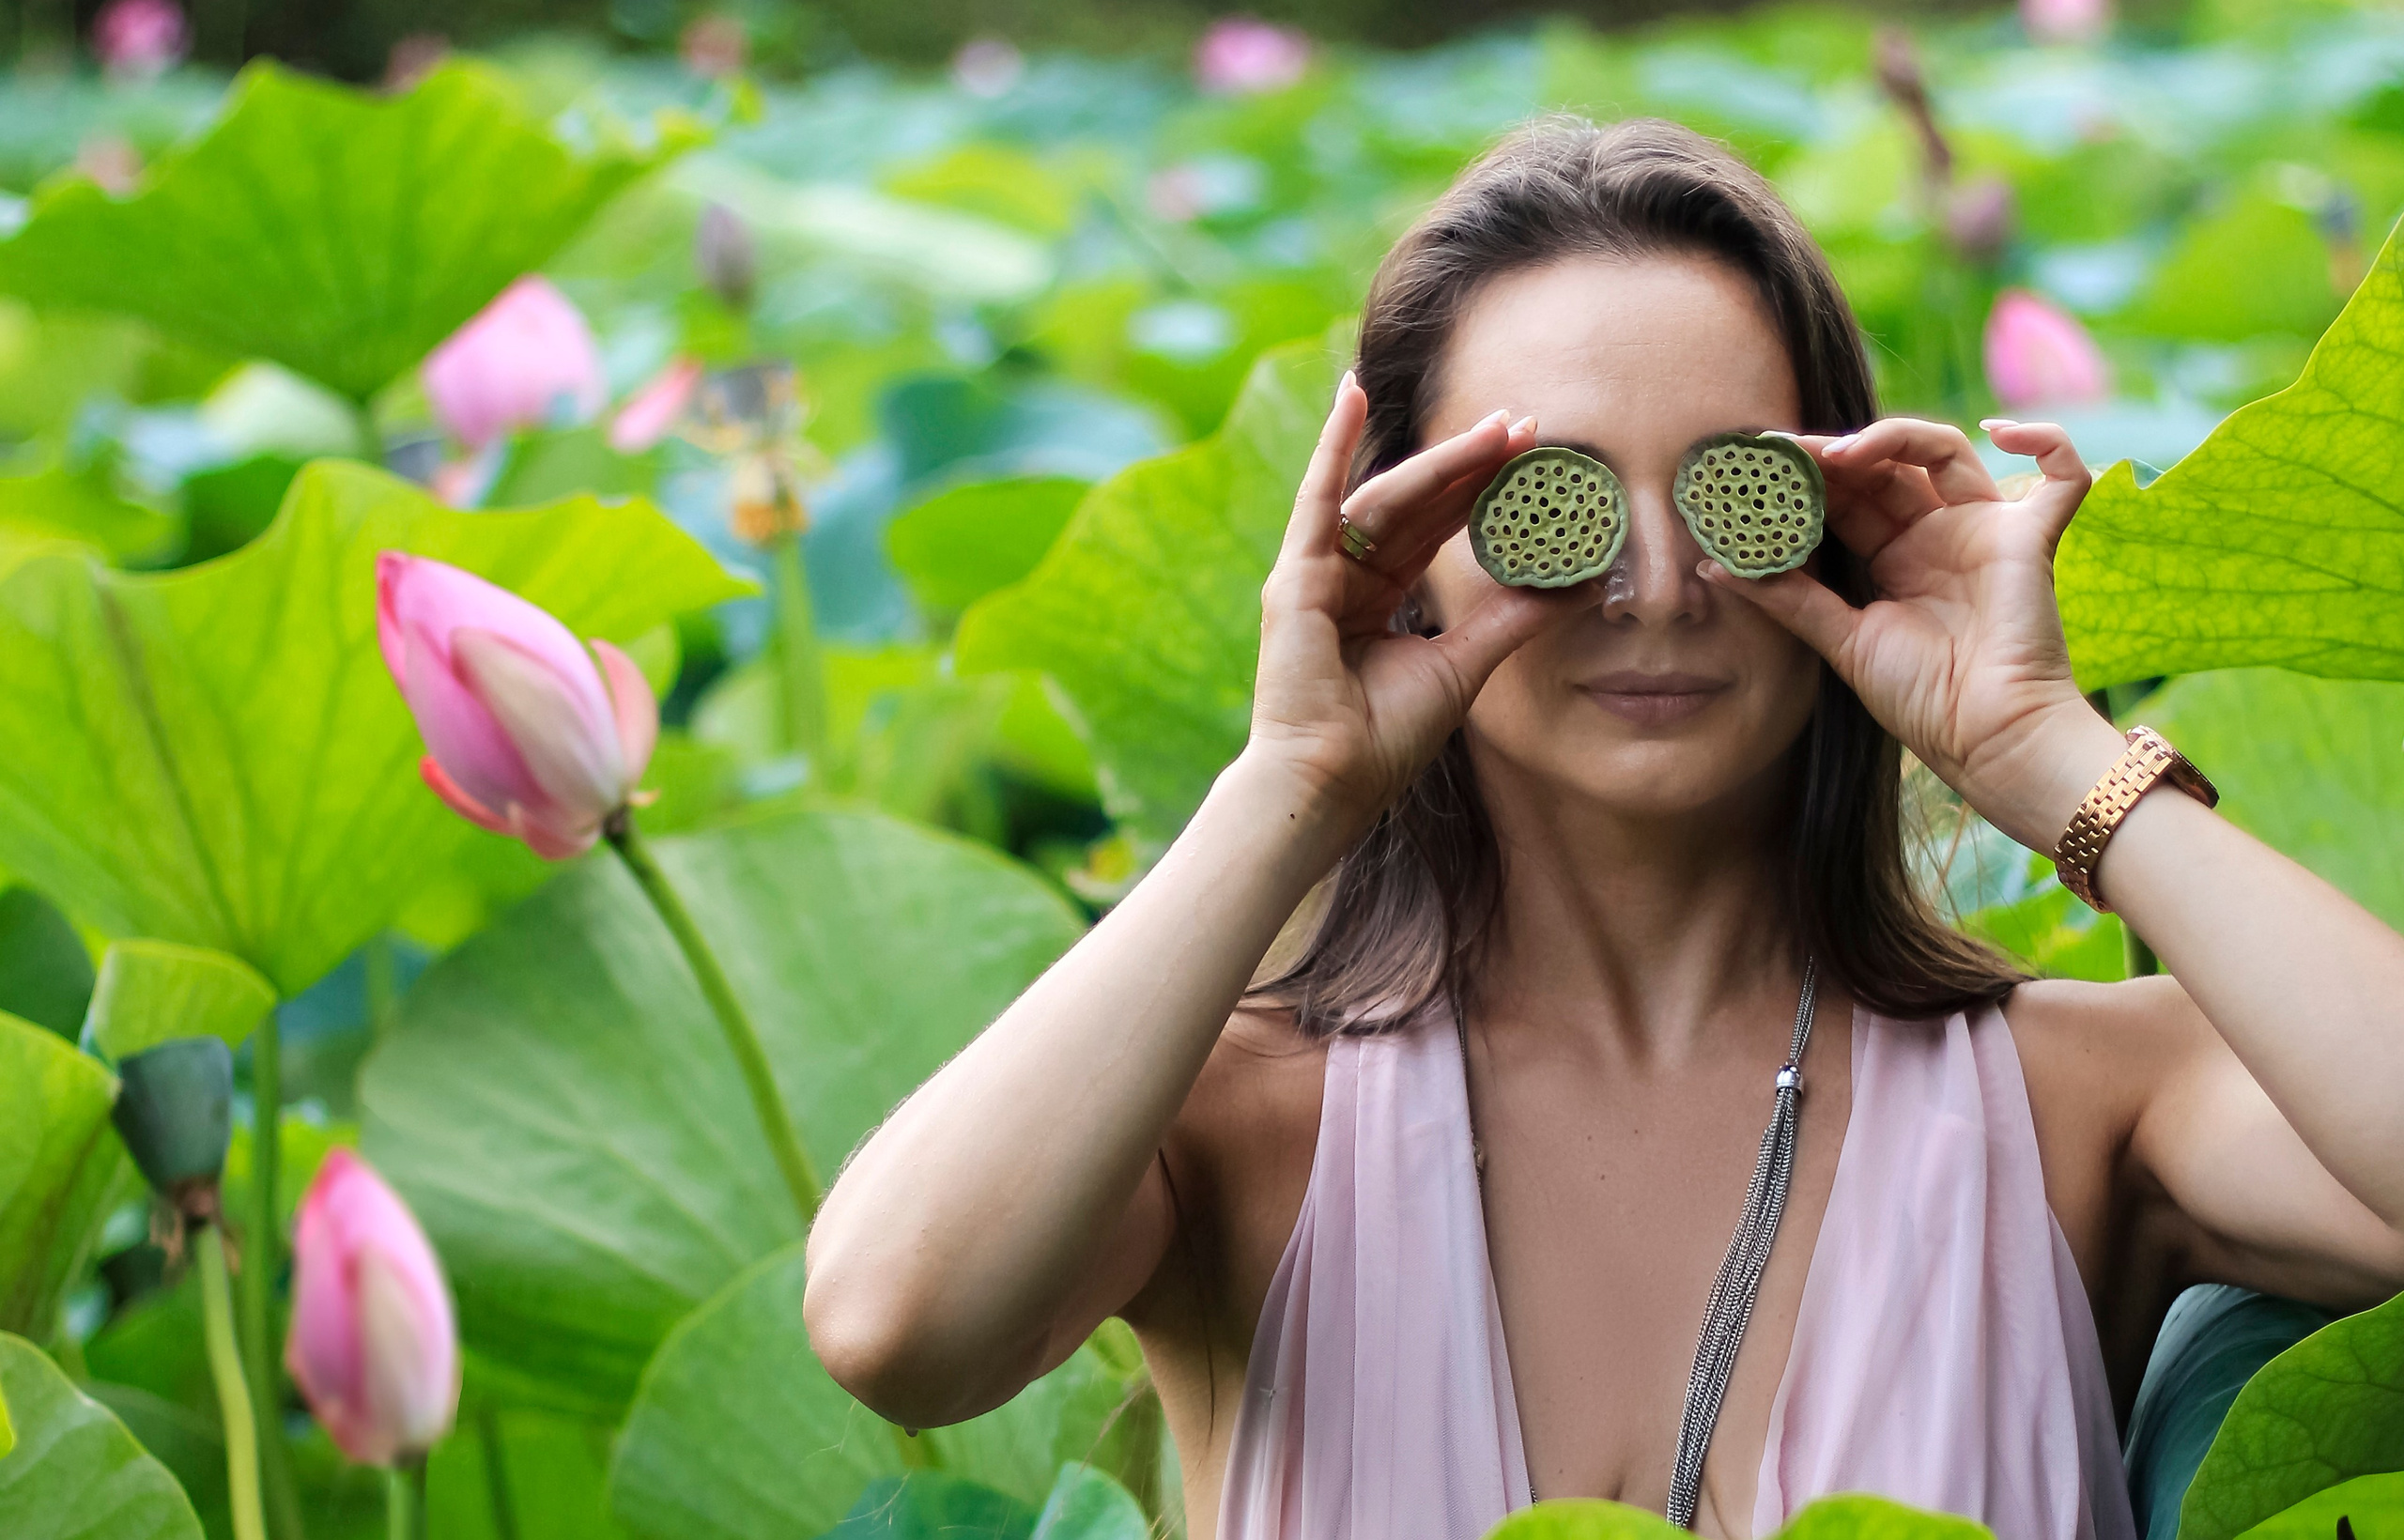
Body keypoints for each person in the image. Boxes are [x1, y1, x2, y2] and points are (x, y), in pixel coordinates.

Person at [801, 118, 2404, 1540]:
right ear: (1409, 545)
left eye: (1733, 492)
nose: (1652, 581)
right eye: (1550, 503)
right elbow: (896, 1325)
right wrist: (1287, 784)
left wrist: (2047, 752)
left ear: (1837, 521)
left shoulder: (2084, 1101)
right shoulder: (1238, 1128)